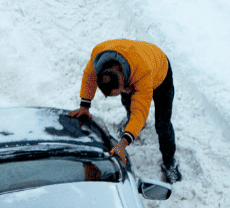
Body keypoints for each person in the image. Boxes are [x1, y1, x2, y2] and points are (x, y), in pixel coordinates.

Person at [68, 39, 182, 183]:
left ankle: (170, 163)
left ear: (123, 78)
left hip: (159, 71)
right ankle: (132, 128)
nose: (126, 91)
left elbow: (140, 111)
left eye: (122, 89)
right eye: (121, 91)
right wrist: (84, 106)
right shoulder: (99, 57)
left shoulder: (143, 72)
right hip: (133, 61)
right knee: (128, 103)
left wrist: (122, 143)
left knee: (162, 124)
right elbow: (89, 77)